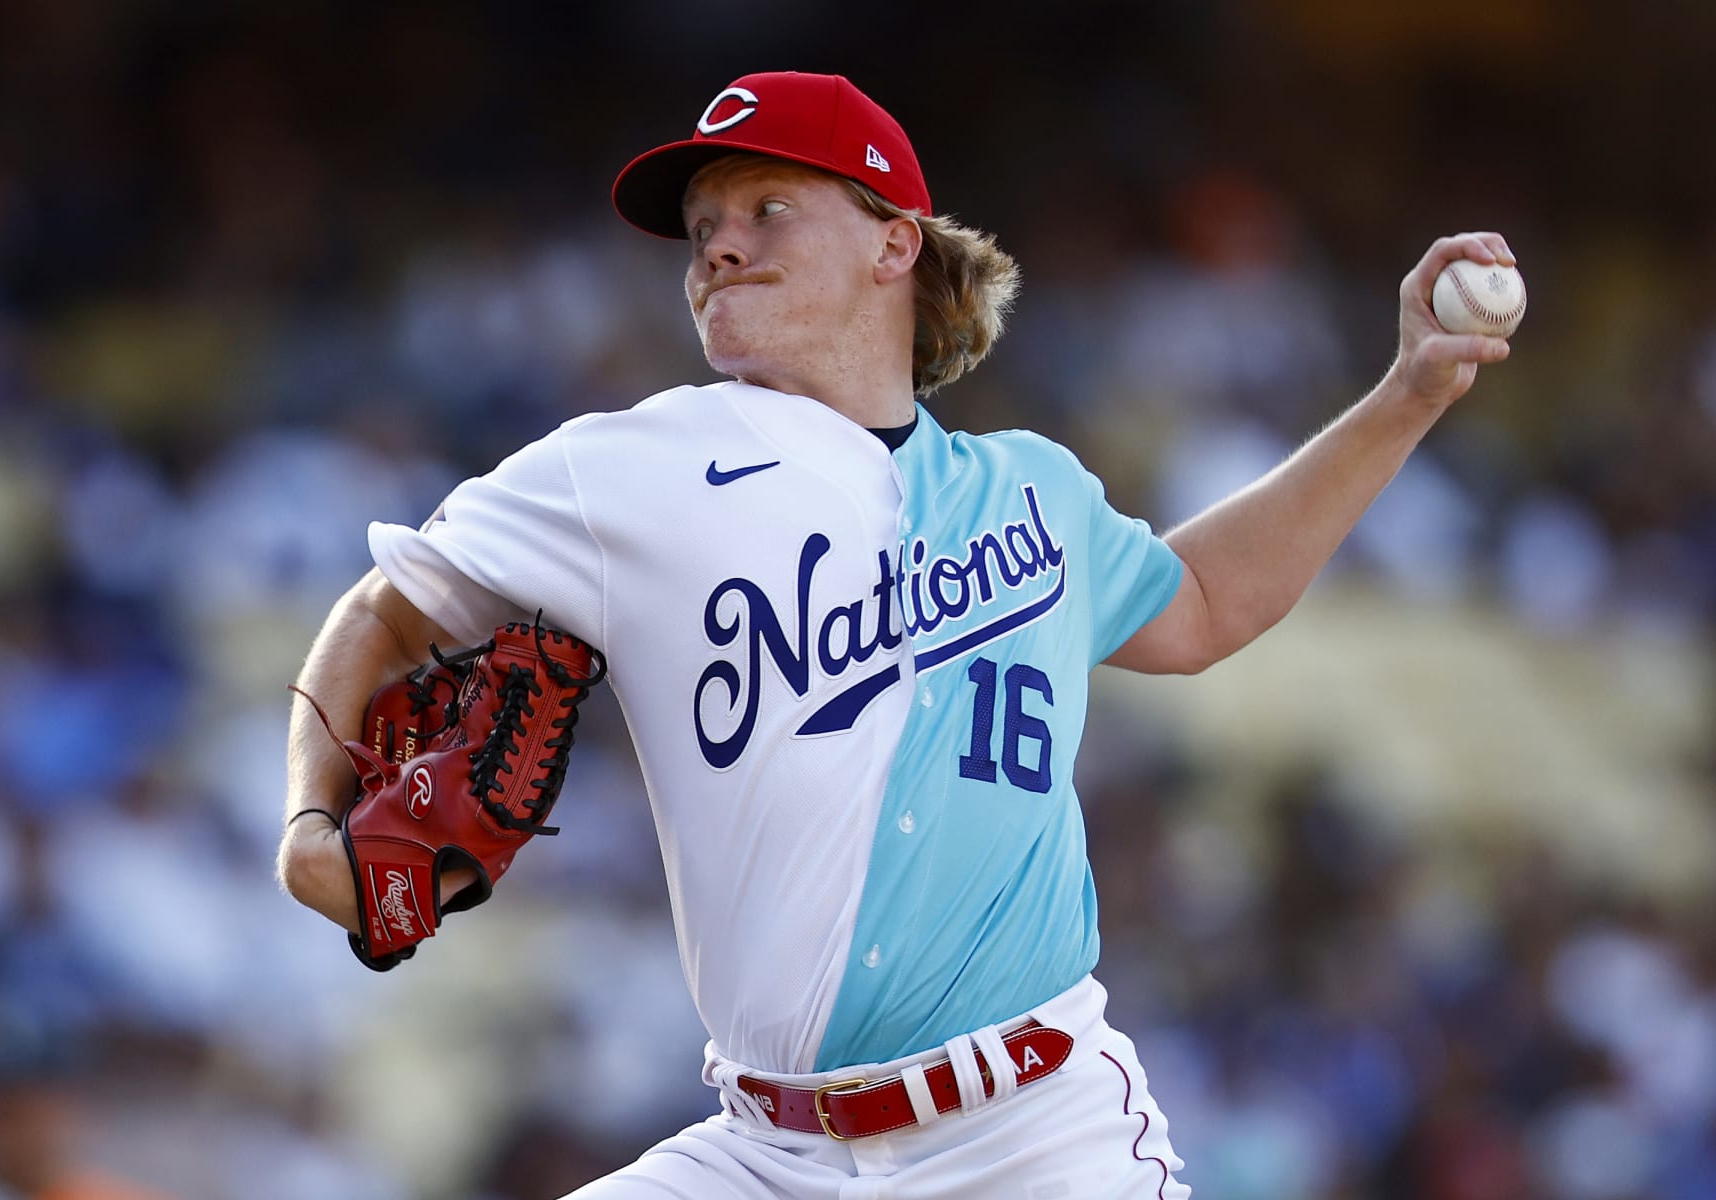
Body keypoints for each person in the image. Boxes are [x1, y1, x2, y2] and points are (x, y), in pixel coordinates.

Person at [277, 70, 1515, 1199]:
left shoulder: (1032, 488)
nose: (718, 248)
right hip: (763, 1152)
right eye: (702, 232)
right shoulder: (626, 469)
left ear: (894, 242)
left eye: (766, 207)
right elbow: (388, 607)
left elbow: (1201, 605)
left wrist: (1406, 395)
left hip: (1033, 1135)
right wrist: (308, 821)